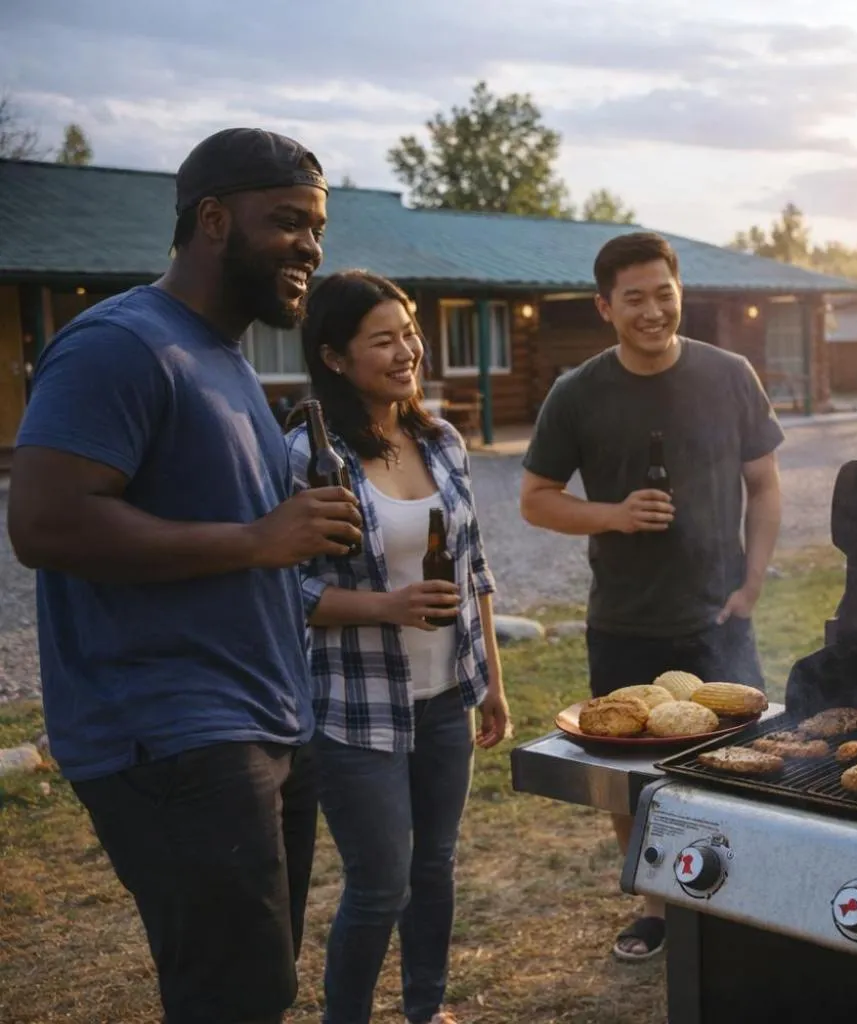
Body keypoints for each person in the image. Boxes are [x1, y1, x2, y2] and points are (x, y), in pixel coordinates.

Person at [6, 128, 357, 1023]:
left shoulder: (228, 359)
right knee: (232, 997)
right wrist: (255, 540)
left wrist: (294, 531)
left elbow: (248, 531)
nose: (311, 248)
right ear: (211, 219)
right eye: (286, 222)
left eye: (317, 227)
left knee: (260, 985)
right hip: (171, 733)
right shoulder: (119, 344)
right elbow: (44, 522)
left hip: (267, 719)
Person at [520, 231, 785, 961]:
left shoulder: (729, 373)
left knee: (742, 766)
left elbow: (763, 486)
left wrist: (753, 582)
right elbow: (536, 501)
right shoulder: (578, 393)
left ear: (680, 290)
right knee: (631, 785)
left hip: (718, 617)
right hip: (626, 622)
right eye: (633, 298)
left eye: (663, 293)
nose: (652, 310)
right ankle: (657, 906)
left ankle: (740, 903)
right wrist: (612, 514)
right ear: (606, 307)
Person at [284, 270, 508, 1024]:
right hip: (355, 708)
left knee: (435, 866)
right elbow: (288, 593)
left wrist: (494, 684)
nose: (406, 349)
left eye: (408, 332)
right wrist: (388, 606)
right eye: (382, 339)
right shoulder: (307, 457)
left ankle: (425, 1009)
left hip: (446, 697)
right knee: (381, 883)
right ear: (335, 358)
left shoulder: (440, 438)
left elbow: (475, 565)